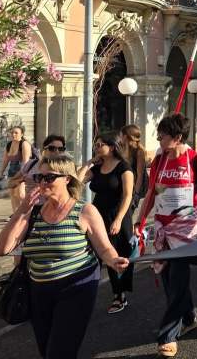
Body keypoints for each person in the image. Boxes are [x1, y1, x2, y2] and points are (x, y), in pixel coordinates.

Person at [0, 154, 129, 359]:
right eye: (39, 177)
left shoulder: (84, 211)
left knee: (60, 352)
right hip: (38, 289)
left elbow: (104, 249)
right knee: (46, 349)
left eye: (49, 178)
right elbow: (1, 249)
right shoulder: (34, 213)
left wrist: (113, 260)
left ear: (67, 178)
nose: (42, 182)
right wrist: (22, 210)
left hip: (76, 287)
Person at [135, 114, 197, 358]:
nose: (158, 137)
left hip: (186, 225)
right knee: (168, 277)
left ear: (177, 137)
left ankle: (168, 336)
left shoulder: (194, 159)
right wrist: (140, 219)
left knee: (178, 275)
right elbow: (151, 193)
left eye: (163, 134)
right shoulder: (158, 159)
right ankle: (189, 316)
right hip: (162, 226)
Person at [84, 134, 135, 313]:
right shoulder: (97, 168)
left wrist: (119, 219)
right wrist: (89, 162)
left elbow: (128, 195)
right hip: (97, 215)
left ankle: (119, 295)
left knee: (115, 255)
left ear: (112, 147)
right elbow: (76, 181)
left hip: (117, 215)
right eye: (95, 144)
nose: (97, 147)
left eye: (100, 145)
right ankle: (84, 294)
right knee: (92, 255)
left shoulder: (124, 167)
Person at [3, 126, 33, 213]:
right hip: (11, 171)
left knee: (20, 194)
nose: (13, 134)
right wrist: (1, 172)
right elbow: (5, 160)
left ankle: (30, 211)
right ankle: (15, 214)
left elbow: (26, 162)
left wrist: (21, 175)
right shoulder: (9, 145)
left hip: (22, 171)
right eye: (12, 132)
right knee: (12, 194)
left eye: (16, 133)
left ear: (22, 134)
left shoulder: (24, 144)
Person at [119, 125, 148, 212]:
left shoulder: (139, 151)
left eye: (121, 135)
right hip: (127, 185)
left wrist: (136, 195)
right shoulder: (123, 148)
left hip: (136, 188)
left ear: (125, 136)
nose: (120, 137)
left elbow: (140, 175)